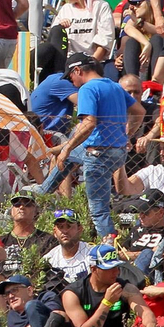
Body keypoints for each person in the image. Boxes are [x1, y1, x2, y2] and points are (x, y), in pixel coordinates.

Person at [43, 55, 137, 235]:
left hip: (98, 154)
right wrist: (127, 135)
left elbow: (89, 123)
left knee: (98, 210)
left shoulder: (87, 88)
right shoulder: (115, 86)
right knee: (71, 155)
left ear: (77, 70)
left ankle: (109, 248)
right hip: (117, 152)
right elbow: (138, 111)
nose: (71, 82)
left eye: (70, 76)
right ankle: (43, 191)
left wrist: (66, 148)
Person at [52, 244, 151, 327]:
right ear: (94, 269)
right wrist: (106, 303)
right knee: (55, 318)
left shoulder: (125, 288)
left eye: (116, 267)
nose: (116, 272)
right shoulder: (73, 293)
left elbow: (147, 315)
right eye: (109, 268)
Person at [41, 0, 115, 76]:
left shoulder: (101, 6)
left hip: (91, 62)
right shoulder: (66, 9)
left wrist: (89, 66)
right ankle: (58, 75)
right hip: (66, 63)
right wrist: (61, 27)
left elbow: (104, 42)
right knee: (56, 30)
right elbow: (54, 38)